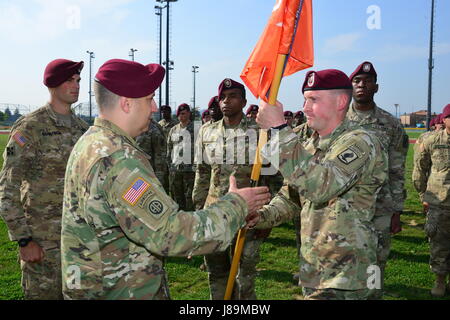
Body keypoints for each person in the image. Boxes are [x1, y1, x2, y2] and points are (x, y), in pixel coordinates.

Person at [60, 59, 271, 300]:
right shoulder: (119, 161)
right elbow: (172, 234)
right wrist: (238, 204)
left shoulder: (92, 142)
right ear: (127, 103)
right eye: (149, 98)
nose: (154, 108)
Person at [255, 69, 388, 300]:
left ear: (341, 101)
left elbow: (321, 186)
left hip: (348, 275)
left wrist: (279, 130)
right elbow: (292, 196)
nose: (305, 107)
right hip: (316, 269)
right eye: (305, 99)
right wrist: (260, 216)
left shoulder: (360, 141)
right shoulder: (310, 145)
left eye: (313, 100)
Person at [0, 59, 88, 300]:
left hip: (80, 243)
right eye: (70, 80)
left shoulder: (83, 129)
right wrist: (24, 240)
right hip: (42, 243)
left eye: (78, 80)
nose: (77, 85)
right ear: (53, 83)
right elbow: (7, 187)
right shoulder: (31, 127)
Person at [193, 78, 270, 300]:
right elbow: (203, 172)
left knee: (244, 276)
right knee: (216, 272)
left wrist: (268, 217)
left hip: (249, 214)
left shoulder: (260, 132)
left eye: (233, 96)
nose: (227, 101)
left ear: (244, 101)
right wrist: (198, 208)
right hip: (214, 212)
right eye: (223, 97)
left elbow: (272, 175)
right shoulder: (207, 132)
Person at [346, 61, 409, 299]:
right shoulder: (338, 120)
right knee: (344, 260)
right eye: (357, 81)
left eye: (368, 81)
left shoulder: (390, 125)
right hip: (343, 207)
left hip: (379, 206)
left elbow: (397, 170)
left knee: (377, 261)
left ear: (376, 87)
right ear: (351, 87)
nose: (362, 85)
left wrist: (397, 210)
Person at [412, 104, 450, 297]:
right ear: (443, 120)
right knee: (439, 243)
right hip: (439, 202)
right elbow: (419, 169)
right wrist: (422, 196)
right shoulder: (432, 140)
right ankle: (440, 280)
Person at [167, 103, 196, 211]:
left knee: (190, 198)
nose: (181, 116)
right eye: (179, 114)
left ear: (189, 113)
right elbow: (169, 148)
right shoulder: (173, 130)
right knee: (177, 197)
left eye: (184, 113)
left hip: (190, 169)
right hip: (176, 170)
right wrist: (170, 166)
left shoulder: (196, 128)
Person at [136, 119, 169, 192]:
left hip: (150, 172)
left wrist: (159, 177)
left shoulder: (154, 129)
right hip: (138, 170)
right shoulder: (134, 126)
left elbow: (159, 155)